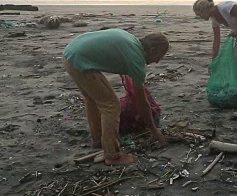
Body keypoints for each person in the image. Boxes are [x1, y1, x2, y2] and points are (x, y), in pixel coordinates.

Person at [63, 29, 169, 166]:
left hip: (70, 54)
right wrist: (154, 130)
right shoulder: (136, 58)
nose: (157, 62)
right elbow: (142, 102)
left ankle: (98, 140)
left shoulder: (132, 41)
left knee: (93, 100)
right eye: (159, 57)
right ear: (153, 50)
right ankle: (112, 156)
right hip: (79, 60)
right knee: (111, 106)